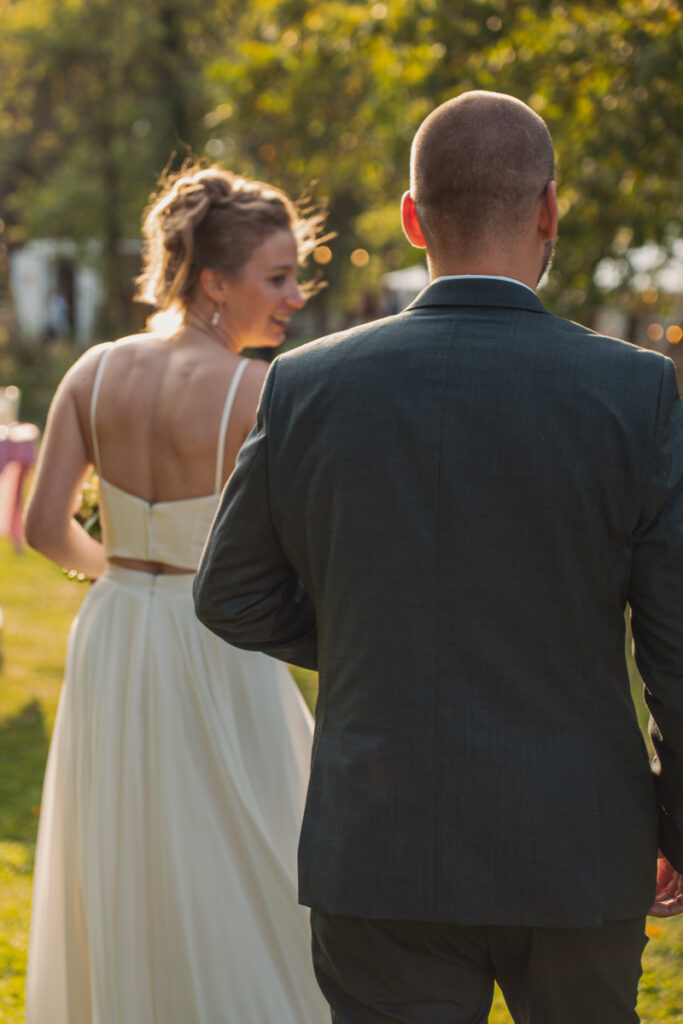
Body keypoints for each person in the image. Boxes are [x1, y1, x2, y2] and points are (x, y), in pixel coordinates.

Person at [193, 92, 683, 1024]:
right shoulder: (634, 390)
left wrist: (376, 633)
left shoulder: (307, 383)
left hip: (381, 842)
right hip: (575, 842)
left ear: (413, 217)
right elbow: (675, 645)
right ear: (547, 209)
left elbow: (232, 593)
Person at [23, 164, 329, 1023]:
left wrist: (123, 576)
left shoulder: (91, 370)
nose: (294, 295)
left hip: (114, 631)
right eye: (277, 277)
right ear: (213, 281)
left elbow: (44, 529)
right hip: (218, 636)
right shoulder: (258, 390)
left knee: (120, 845)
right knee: (255, 839)